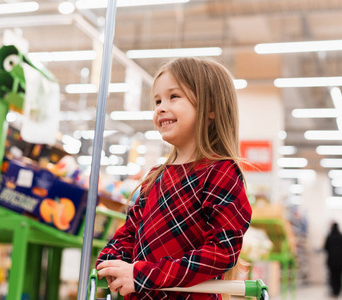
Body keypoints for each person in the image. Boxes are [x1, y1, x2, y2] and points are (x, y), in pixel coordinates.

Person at [96, 57, 252, 299]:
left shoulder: (220, 173)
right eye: (157, 100)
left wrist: (143, 275)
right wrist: (111, 258)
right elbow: (130, 231)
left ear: (210, 108)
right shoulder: (154, 177)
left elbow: (222, 251)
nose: (160, 107)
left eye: (173, 97)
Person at [323, 222, 342, 298]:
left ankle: (334, 291)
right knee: (339, 276)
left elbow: (325, 248)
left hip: (331, 261)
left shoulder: (329, 237)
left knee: (332, 276)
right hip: (341, 262)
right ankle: (339, 291)